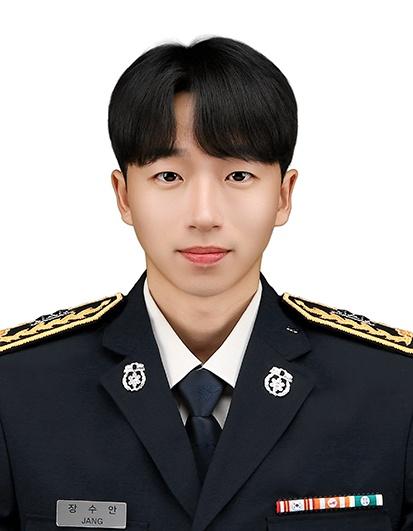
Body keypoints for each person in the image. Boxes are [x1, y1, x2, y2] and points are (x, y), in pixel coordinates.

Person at [0, 35, 412, 531]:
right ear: (124, 195)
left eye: (237, 176)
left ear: (283, 196)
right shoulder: (17, 390)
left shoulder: (393, 391)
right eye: (169, 176)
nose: (204, 215)